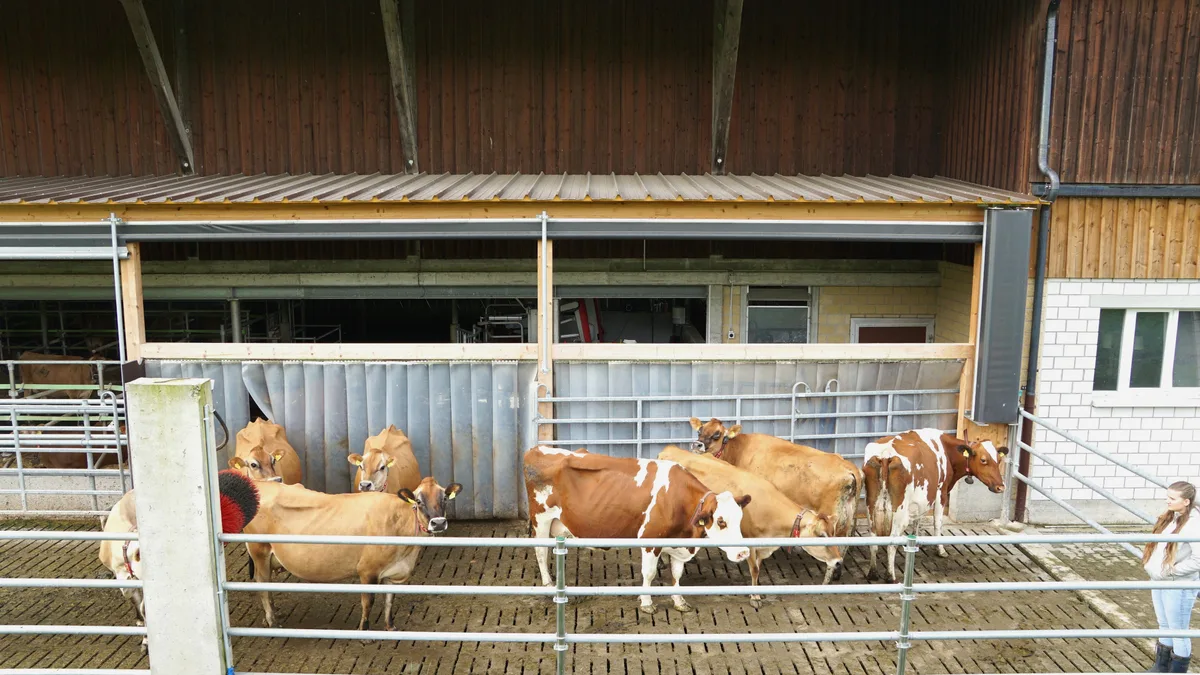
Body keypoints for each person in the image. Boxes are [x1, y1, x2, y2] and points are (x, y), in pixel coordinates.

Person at [1144, 481, 1200, 673]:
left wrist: (1171, 571)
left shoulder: (1193, 524)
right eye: (1167, 497)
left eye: (1172, 498)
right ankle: (1161, 667)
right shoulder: (1172, 518)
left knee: (1178, 631)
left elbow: (1198, 559)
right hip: (1160, 579)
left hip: (1178, 584)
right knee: (1165, 625)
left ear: (1186, 501)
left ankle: (1177, 670)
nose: (1167, 501)